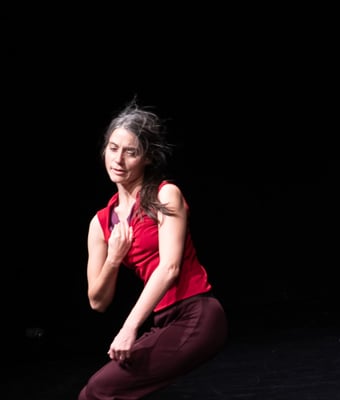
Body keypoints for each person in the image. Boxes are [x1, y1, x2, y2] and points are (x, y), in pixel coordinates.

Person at [79, 100, 228, 400]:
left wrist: (129, 328)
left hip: (197, 314)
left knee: (98, 390)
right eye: (113, 148)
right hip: (165, 321)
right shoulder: (100, 223)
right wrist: (113, 259)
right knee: (99, 391)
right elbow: (97, 301)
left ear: (147, 158)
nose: (118, 159)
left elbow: (170, 268)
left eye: (131, 152)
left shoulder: (165, 195)